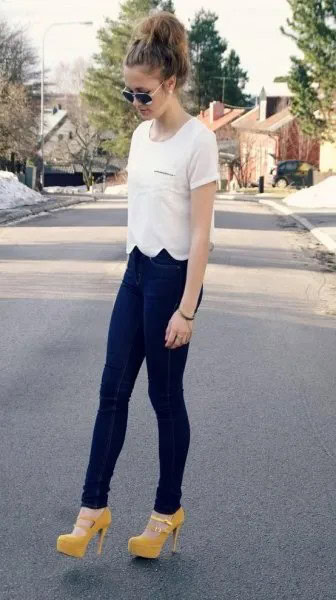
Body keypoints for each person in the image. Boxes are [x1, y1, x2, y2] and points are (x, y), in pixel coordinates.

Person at [57, 10, 219, 560]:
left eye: (143, 94)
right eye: (128, 94)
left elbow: (201, 235)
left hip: (173, 281)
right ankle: (91, 509)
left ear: (170, 83)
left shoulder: (199, 142)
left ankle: (166, 510)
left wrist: (188, 309)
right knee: (111, 394)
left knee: (164, 399)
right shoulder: (139, 139)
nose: (136, 103)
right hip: (135, 274)